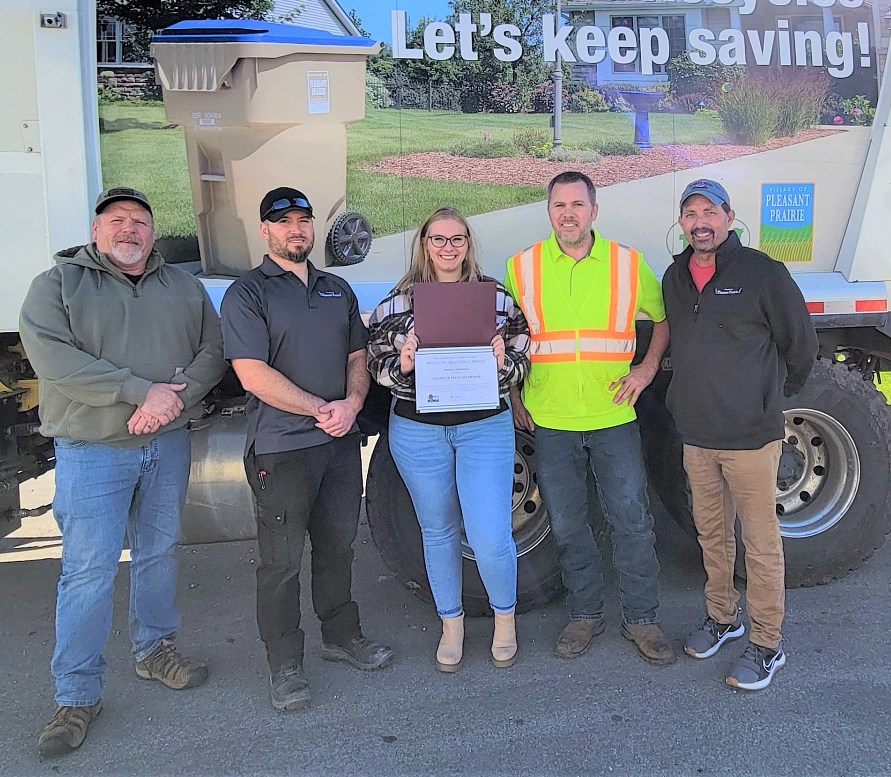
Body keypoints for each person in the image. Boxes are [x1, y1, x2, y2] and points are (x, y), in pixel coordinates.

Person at [18, 187, 227, 759]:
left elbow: (213, 348)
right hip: (93, 450)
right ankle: (77, 695)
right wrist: (141, 391)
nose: (129, 229)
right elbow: (55, 360)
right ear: (95, 229)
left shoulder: (182, 287)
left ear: (153, 234)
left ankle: (154, 650)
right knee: (88, 571)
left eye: (140, 221)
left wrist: (172, 403)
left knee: (159, 552)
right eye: (118, 220)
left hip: (168, 442)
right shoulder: (58, 286)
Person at [219, 187, 393, 714]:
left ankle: (341, 636)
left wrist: (352, 403)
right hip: (282, 449)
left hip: (338, 444)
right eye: (284, 221)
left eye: (304, 220)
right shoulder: (247, 293)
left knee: (339, 547)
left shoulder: (336, 288)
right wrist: (322, 408)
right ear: (265, 230)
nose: (296, 229)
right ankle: (285, 663)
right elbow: (251, 373)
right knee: (281, 563)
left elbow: (357, 355)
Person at [503, 171, 676, 666]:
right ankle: (585, 614)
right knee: (569, 522)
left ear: (594, 211)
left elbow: (662, 321)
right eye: (559, 205)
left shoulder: (626, 263)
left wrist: (645, 371)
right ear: (549, 211)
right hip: (549, 418)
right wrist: (515, 393)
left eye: (578, 204)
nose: (568, 214)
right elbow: (511, 335)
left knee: (631, 519)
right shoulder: (523, 267)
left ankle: (642, 618)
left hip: (613, 413)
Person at [662, 178, 818, 692]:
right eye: (691, 213)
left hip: (750, 436)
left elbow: (800, 345)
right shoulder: (674, 277)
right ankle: (723, 618)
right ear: (682, 222)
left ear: (729, 217)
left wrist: (769, 398)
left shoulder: (762, 273)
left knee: (760, 542)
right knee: (712, 534)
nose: (700, 221)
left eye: (710, 211)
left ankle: (767, 644)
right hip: (697, 434)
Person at [365, 206, 532, 672]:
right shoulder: (396, 303)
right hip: (418, 431)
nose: (447, 248)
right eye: (438, 239)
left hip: (483, 427)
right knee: (437, 531)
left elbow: (523, 356)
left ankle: (505, 619)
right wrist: (404, 364)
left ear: (468, 244)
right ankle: (451, 624)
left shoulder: (495, 299)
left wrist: (504, 364)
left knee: (489, 533)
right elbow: (374, 363)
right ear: (424, 244)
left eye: (457, 239)